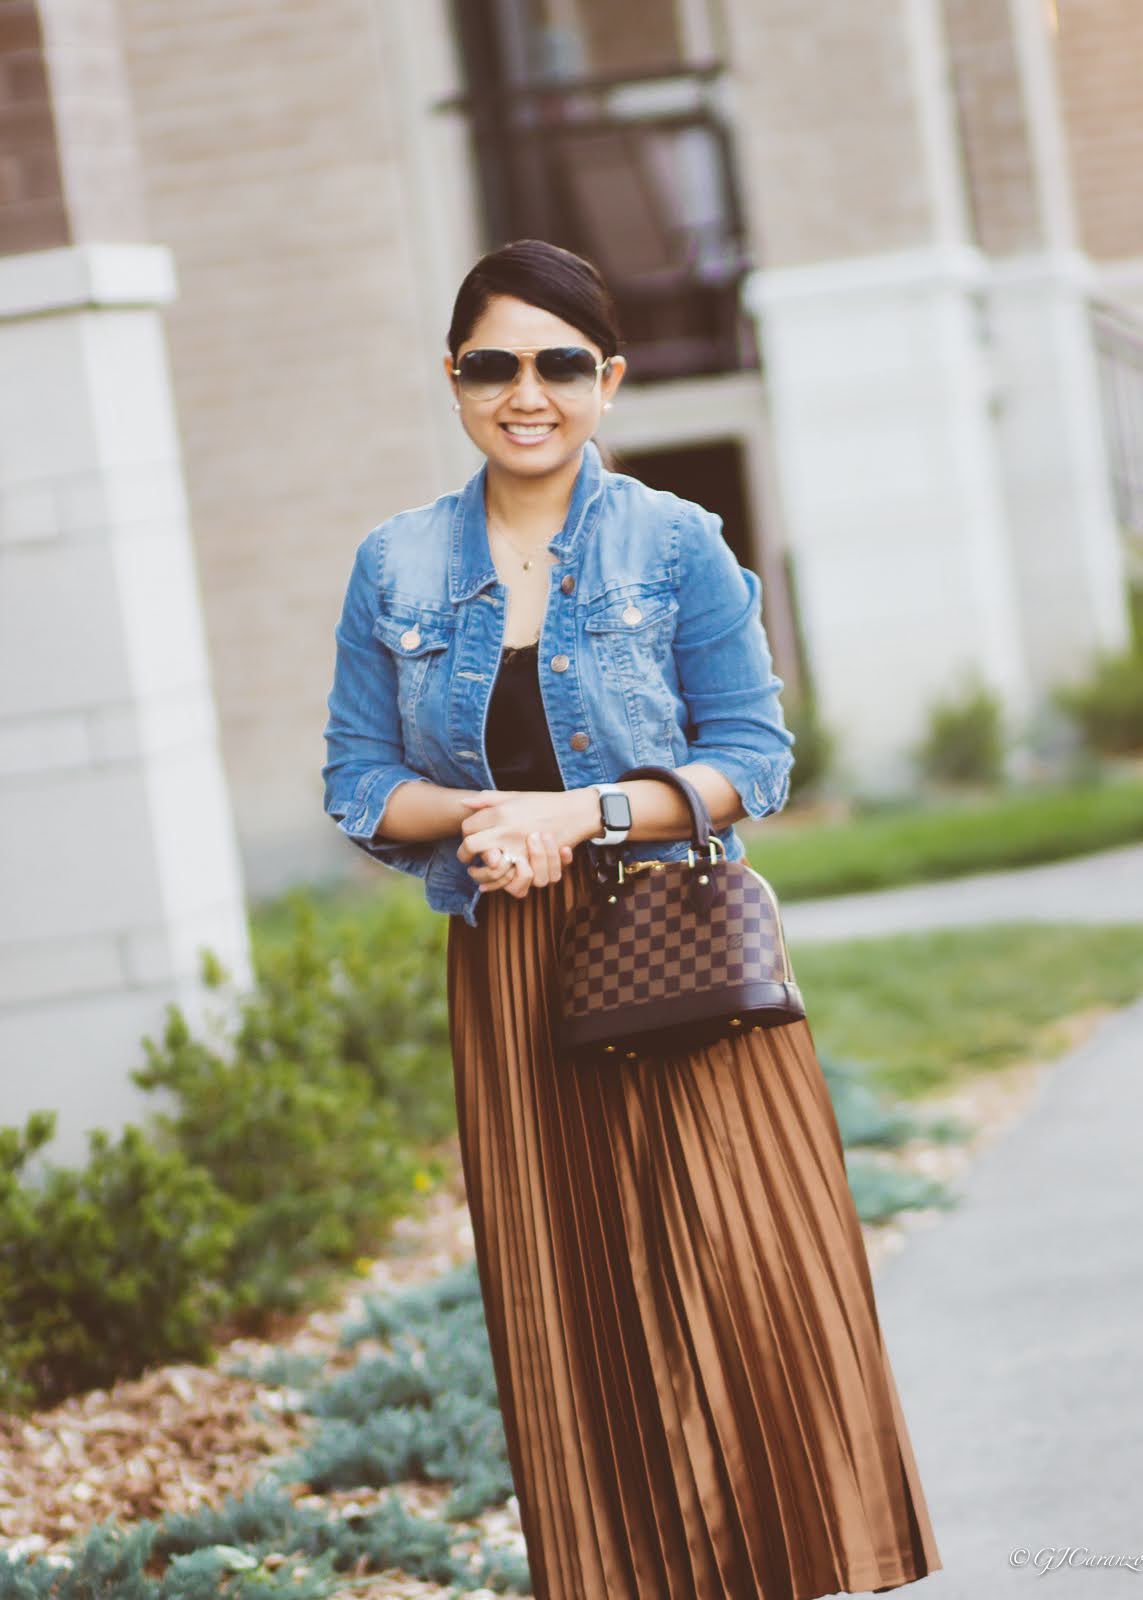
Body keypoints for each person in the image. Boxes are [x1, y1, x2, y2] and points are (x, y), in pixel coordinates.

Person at [322, 239, 943, 1600]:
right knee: (576, 1302)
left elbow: (755, 758)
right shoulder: (397, 565)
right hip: (512, 967)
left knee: (730, 1275)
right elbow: (357, 780)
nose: (524, 391)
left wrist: (581, 814)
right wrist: (481, 824)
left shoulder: (674, 541)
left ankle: (798, 1564)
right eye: (493, 363)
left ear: (607, 380)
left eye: (558, 363)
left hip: (681, 954)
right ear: (453, 377)